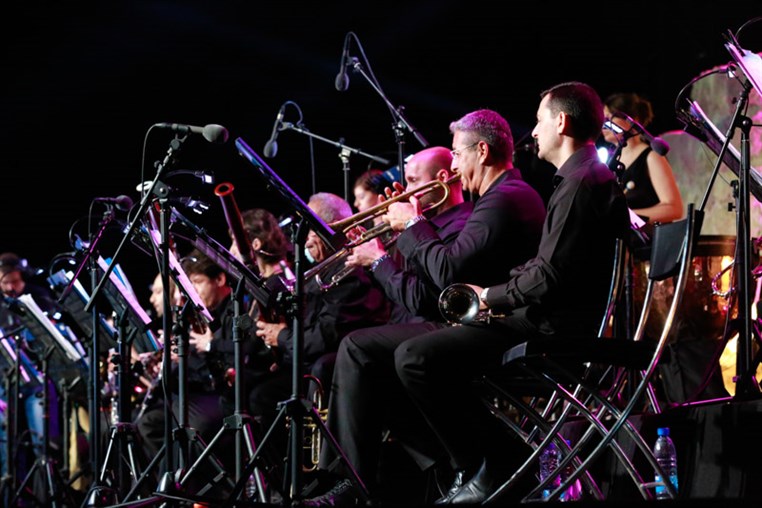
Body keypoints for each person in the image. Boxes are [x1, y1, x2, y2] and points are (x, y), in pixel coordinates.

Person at [388, 82, 631, 504]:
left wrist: (490, 298)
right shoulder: (581, 177)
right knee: (416, 354)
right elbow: (548, 268)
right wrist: (498, 294)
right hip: (552, 317)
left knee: (415, 358)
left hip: (555, 329)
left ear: (562, 122)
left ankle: (496, 462)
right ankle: (490, 462)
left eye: (539, 122)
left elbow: (549, 279)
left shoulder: (579, 183)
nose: (533, 133)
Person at [309, 110, 547, 506]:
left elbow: (443, 276)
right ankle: (420, 471)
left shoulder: (501, 199)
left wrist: (405, 232)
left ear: (481, 151)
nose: (454, 166)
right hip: (468, 322)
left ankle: (458, 466)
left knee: (367, 351)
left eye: (457, 154)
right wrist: (391, 248)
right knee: (371, 360)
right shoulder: (491, 201)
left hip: (490, 328)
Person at [249, 193, 391, 477]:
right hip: (311, 359)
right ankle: (279, 481)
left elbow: (327, 335)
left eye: (312, 230)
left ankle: (322, 475)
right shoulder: (321, 271)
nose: (306, 239)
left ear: (333, 228)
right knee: (260, 393)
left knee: (268, 395)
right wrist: (282, 348)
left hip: (341, 365)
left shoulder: (349, 271)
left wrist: (283, 338)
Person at [602, 92, 683, 225]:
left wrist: (628, 217)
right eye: (603, 119)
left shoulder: (651, 156)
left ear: (633, 119)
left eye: (610, 117)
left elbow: (674, 208)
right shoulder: (609, 161)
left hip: (645, 243)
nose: (604, 125)